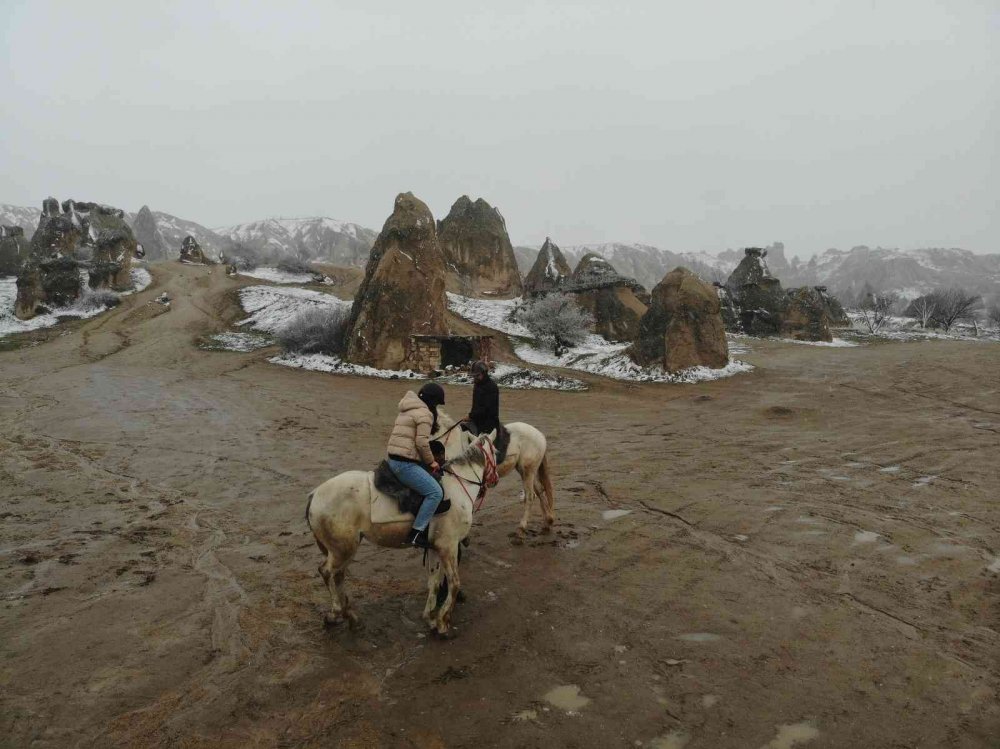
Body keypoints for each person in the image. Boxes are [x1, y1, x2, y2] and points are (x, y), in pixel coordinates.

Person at [386, 382, 446, 548]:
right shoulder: (425, 414)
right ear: (432, 402)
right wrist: (432, 462)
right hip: (405, 464)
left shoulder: (407, 408)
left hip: (393, 459)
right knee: (435, 493)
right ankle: (416, 533)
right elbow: (421, 443)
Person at [463, 360, 500, 436]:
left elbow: (485, 408)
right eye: (474, 376)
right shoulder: (477, 385)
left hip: (488, 424)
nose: (475, 378)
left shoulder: (491, 387)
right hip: (477, 420)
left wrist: (470, 416)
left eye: (477, 375)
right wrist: (471, 416)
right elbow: (476, 406)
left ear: (484, 373)